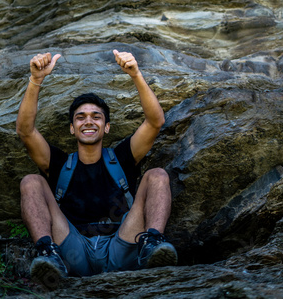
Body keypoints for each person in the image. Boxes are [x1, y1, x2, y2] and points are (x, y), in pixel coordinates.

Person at [16, 49, 178, 289]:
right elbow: (25, 132)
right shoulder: (60, 164)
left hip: (123, 245)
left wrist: (135, 74)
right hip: (72, 251)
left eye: (96, 117)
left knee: (157, 176)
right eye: (80, 117)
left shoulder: (122, 158)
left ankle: (152, 244)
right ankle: (47, 254)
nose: (88, 121)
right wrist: (36, 80)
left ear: (107, 126)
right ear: (72, 128)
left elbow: (155, 122)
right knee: (31, 182)